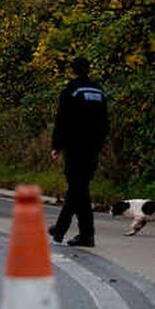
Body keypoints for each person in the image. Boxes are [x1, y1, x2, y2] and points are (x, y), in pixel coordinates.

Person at [47, 57, 108, 247]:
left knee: (76, 188)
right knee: (81, 189)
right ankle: (86, 235)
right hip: (92, 147)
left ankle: (60, 229)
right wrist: (99, 144)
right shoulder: (98, 91)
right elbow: (105, 122)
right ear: (88, 69)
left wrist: (56, 146)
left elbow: (62, 121)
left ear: (72, 70)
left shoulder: (71, 90)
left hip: (75, 147)